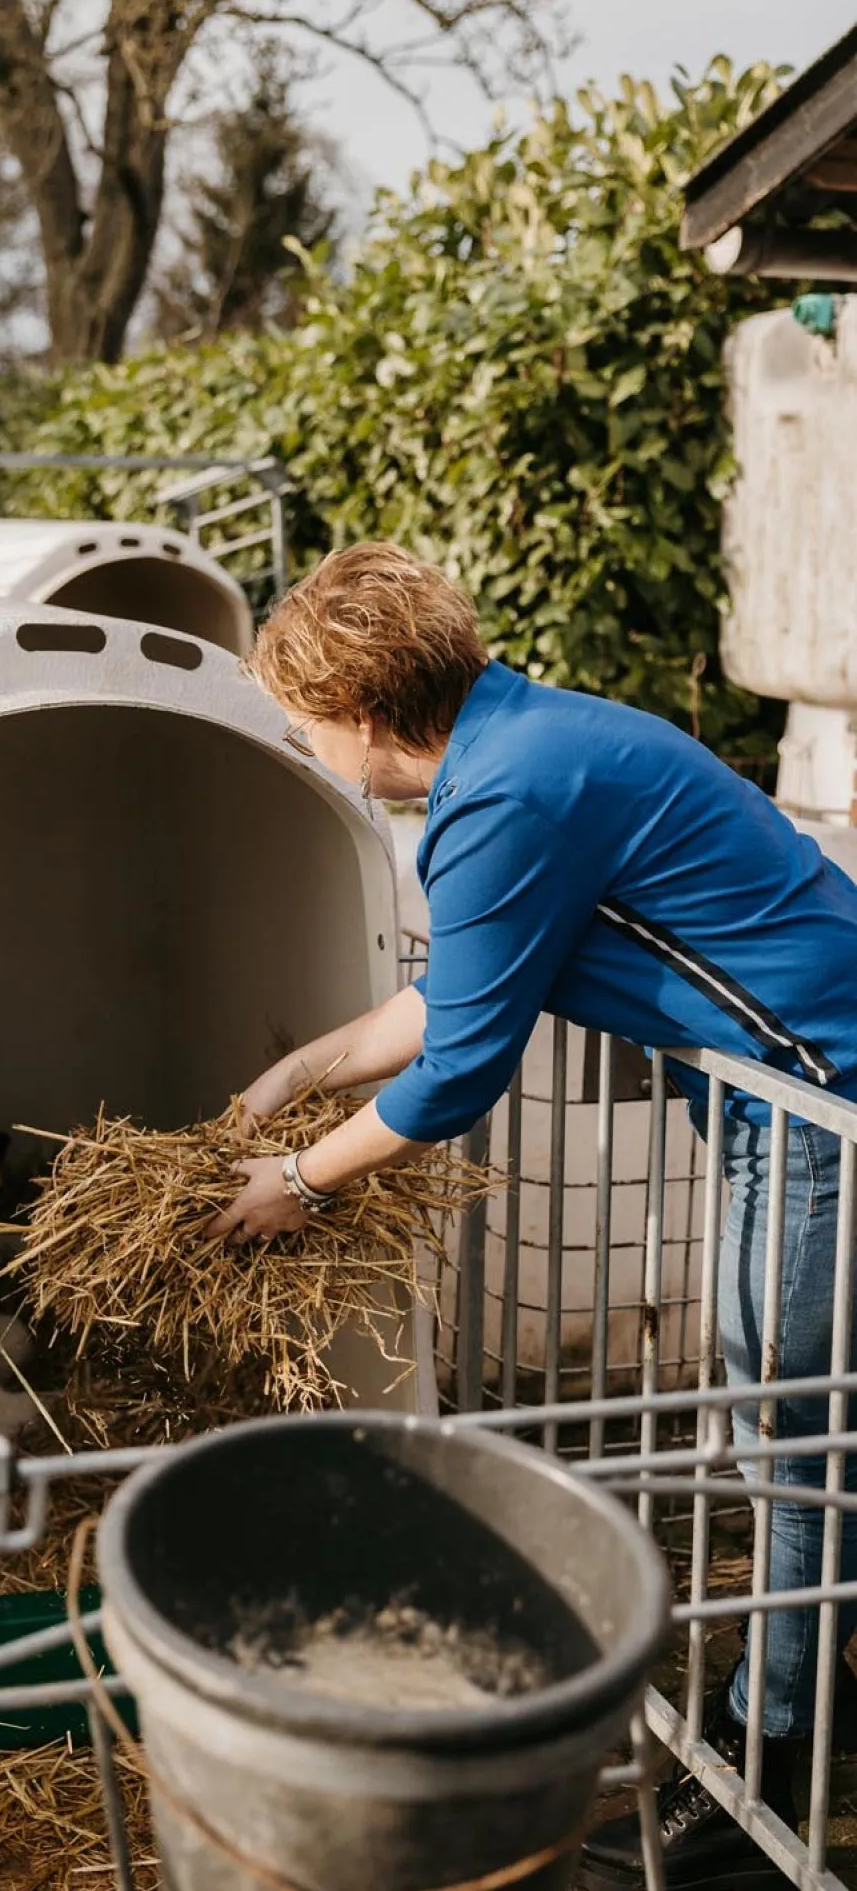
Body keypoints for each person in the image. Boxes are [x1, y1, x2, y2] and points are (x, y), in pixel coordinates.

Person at [211, 541, 857, 1891]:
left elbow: (459, 1071)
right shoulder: (524, 744)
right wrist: (295, 1073)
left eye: (308, 727)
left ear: (373, 718)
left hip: (820, 1101)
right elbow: (460, 991)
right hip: (794, 1093)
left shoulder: (509, 791)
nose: (307, 748)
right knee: (794, 1422)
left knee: (787, 1426)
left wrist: (302, 1183)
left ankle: (770, 1764)